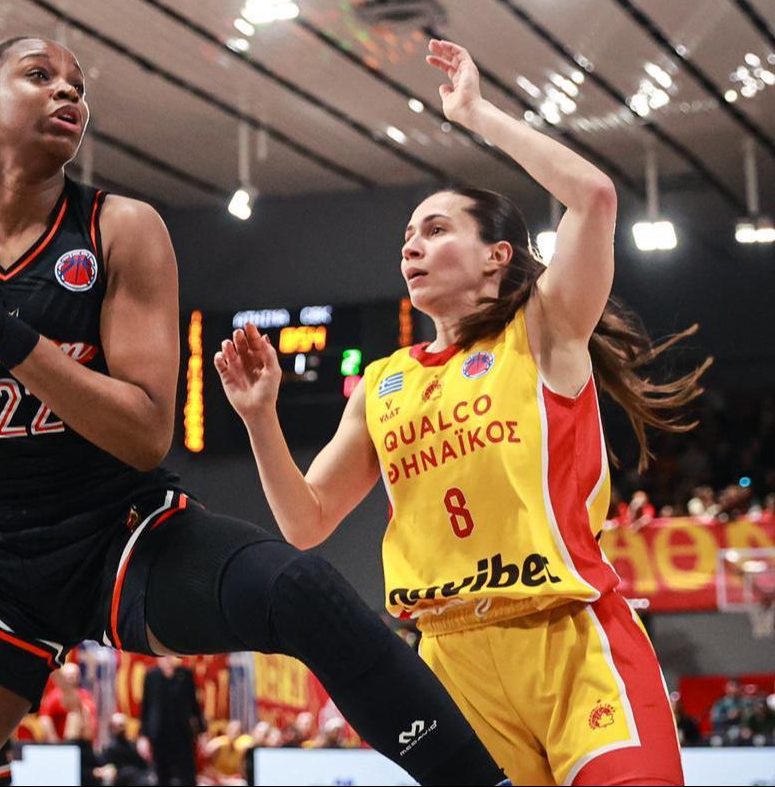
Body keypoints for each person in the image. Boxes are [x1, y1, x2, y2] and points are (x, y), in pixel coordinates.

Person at [0, 37, 505, 786]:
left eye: (77, 86)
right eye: (40, 76)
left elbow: (146, 433)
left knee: (300, 591)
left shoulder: (121, 227)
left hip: (122, 536)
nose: (68, 93)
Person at [216, 40, 703, 787]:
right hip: (449, 662)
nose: (411, 246)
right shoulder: (382, 383)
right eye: (407, 237)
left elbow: (595, 197)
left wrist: (476, 115)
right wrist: (260, 418)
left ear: (497, 255)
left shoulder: (543, 329)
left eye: (436, 229)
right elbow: (305, 522)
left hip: (567, 641)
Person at [139, 657, 202, 786]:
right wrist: (143, 736)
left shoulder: (185, 675)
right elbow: (146, 708)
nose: (167, 659)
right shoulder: (151, 676)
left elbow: (195, 706)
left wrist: (202, 731)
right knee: (162, 776)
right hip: (159, 734)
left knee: (188, 776)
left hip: (182, 733)